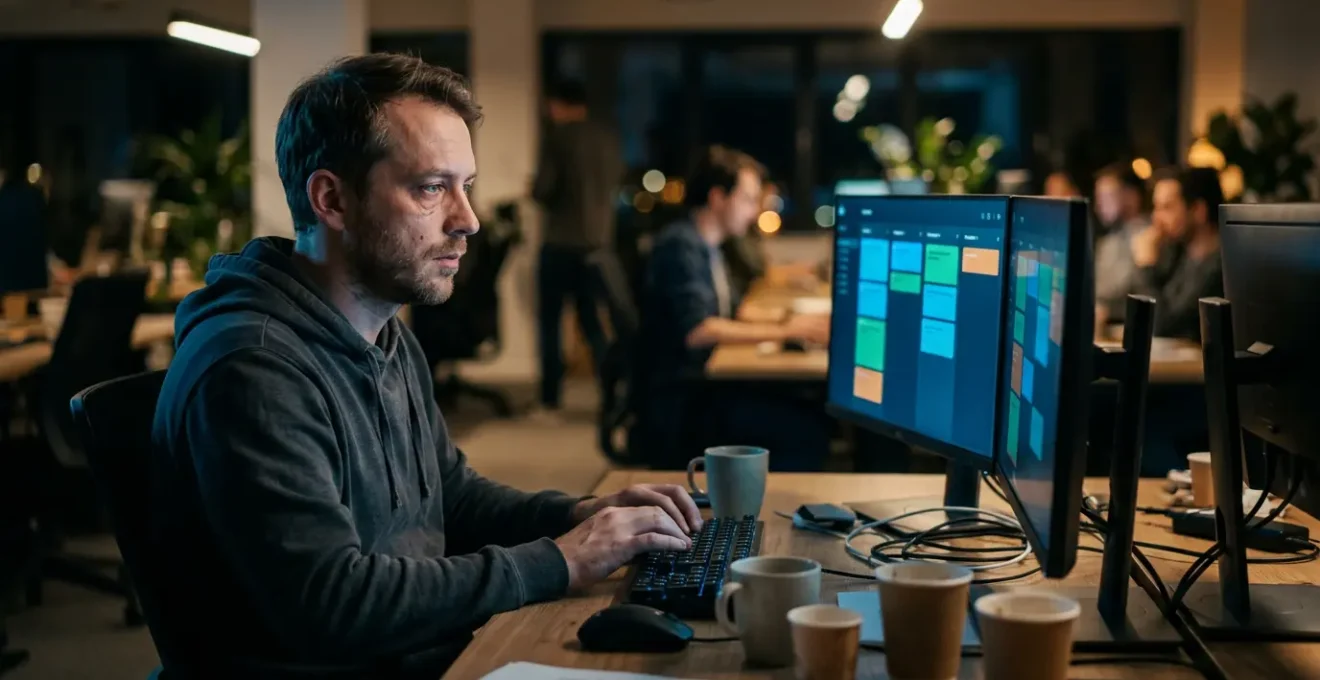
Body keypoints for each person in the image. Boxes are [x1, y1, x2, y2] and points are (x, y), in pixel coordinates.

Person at [151, 54, 700, 679]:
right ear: (331, 198)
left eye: (465, 186)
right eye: (431, 188)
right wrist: (560, 561)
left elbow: (451, 499)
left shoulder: (383, 331)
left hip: (428, 650)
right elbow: (334, 604)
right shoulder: (254, 368)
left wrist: (577, 515)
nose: (467, 220)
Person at [632, 146, 829, 469]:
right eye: (748, 199)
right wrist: (788, 329)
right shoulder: (681, 245)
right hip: (685, 399)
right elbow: (699, 330)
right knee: (807, 429)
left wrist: (793, 320)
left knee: (806, 405)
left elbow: (730, 311)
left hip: (704, 385)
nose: (753, 212)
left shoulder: (707, 245)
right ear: (717, 197)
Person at [530, 78, 625, 421]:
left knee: (551, 325)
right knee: (593, 325)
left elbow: (543, 190)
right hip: (598, 245)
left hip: (561, 243)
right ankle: (611, 395)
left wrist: (533, 188)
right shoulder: (608, 139)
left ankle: (550, 402)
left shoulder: (558, 137)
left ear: (558, 104)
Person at [1129, 167, 1224, 340]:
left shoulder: (1220, 268)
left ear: (1198, 211)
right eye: (1155, 207)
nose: (1156, 218)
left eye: (1166, 208)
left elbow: (1161, 326)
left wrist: (1146, 266)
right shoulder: (1179, 254)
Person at [1092, 163, 1150, 324]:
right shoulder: (1111, 237)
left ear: (1132, 196)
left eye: (1106, 198)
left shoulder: (1147, 236)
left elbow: (1120, 288)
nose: (1098, 207)